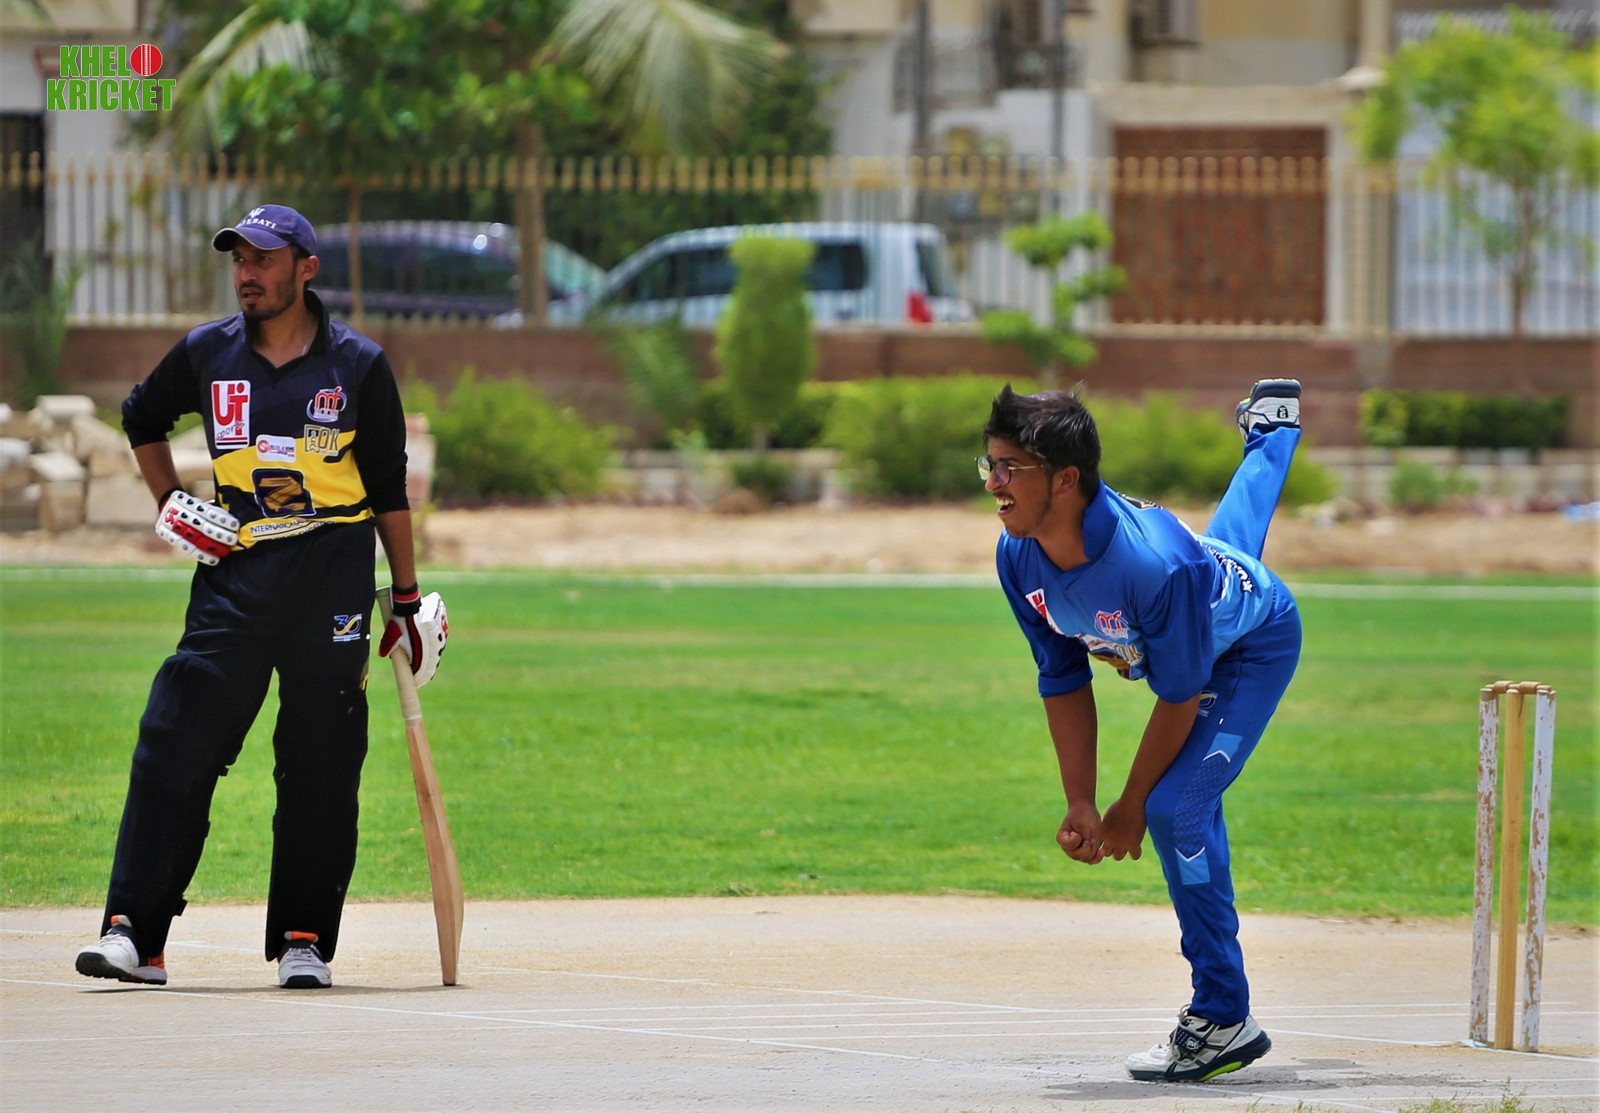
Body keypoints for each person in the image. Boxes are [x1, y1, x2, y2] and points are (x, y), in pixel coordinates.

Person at [74, 203, 447, 990]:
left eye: (263, 259)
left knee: (320, 756)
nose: (246, 273)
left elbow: (388, 488)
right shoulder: (208, 351)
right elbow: (142, 415)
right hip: (236, 570)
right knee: (174, 735)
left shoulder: (358, 365)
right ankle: (133, 933)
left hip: (332, 573)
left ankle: (304, 939)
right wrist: (169, 501)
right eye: (239, 259)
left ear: (306, 269)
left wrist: (408, 600)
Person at [980, 378, 1303, 1082]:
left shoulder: (1152, 565)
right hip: (1199, 593)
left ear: (1066, 480)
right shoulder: (1018, 555)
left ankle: (1223, 1015)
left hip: (1251, 644)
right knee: (1215, 557)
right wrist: (1080, 800)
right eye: (990, 465)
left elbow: (1181, 693)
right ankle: (1274, 431)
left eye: (1010, 468)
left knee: (1175, 808)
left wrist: (1129, 806)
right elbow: (1061, 676)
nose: (994, 483)